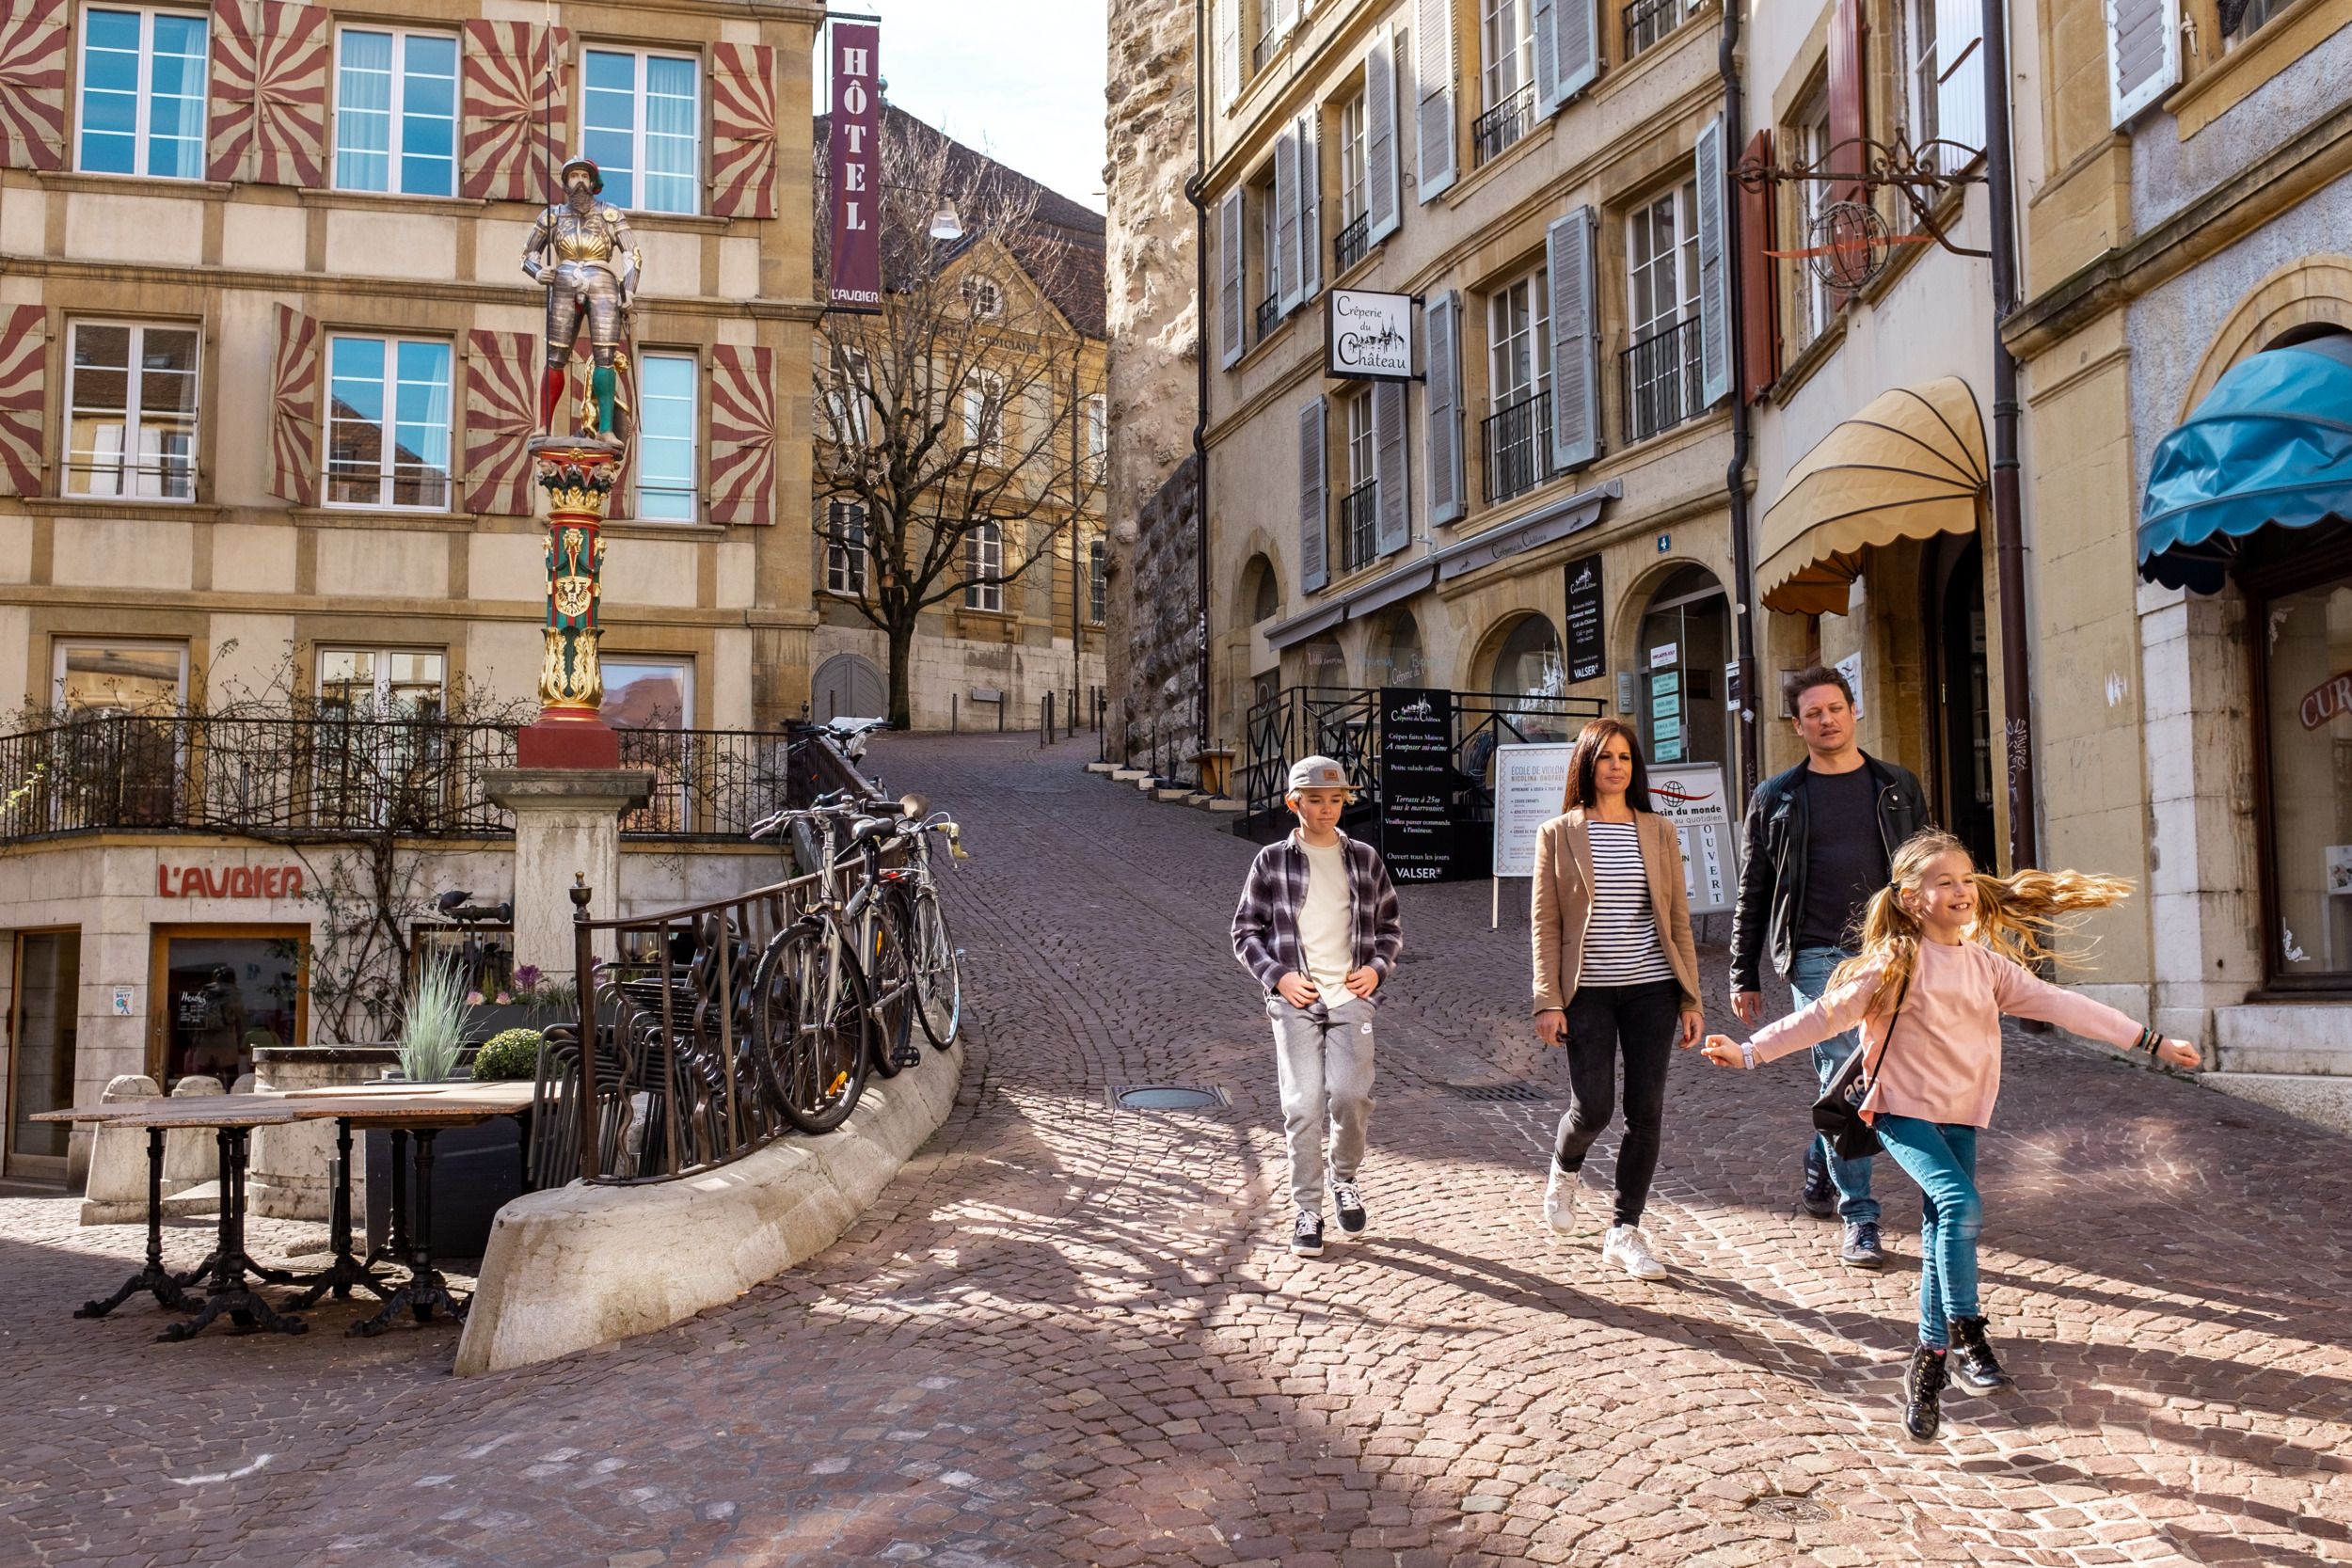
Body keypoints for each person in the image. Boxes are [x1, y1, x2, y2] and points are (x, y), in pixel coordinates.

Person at [1696, 829, 2201, 1441]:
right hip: (1901, 1108)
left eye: (1967, 878)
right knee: (1961, 1204)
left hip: (1963, 1110)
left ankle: (1929, 1363)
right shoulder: (1892, 965)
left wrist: (2151, 1042)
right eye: (1945, 881)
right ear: (1911, 898)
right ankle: (1968, 1333)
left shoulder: (1987, 965)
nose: (1962, 890)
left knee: (1943, 1226)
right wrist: (1749, 1051)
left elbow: (2063, 1005)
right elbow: (1823, 1017)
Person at [1728, 664, 1930, 1269]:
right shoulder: (1777, 797)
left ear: (1853, 711)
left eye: (1835, 708)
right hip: (1816, 954)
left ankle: (1822, 1156)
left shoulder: (1897, 787)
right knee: (1850, 1075)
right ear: (1797, 725)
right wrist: (1744, 972)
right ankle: (1861, 1217)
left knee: (1876, 1071)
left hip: (1890, 950)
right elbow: (1753, 890)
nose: (1826, 720)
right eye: (1813, 713)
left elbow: (1928, 870)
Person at [1530, 719, 1704, 1280]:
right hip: (1588, 993)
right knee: (1594, 1107)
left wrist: (1690, 999)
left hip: (1652, 987)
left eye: (1626, 757)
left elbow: (1677, 918)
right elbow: (1545, 924)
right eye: (1606, 757)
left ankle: (1624, 1230)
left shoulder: (1657, 830)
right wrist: (1547, 1000)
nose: (1617, 767)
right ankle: (1565, 1165)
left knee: (1645, 1113)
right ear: (1587, 764)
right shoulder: (1558, 833)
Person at [1232, 755, 1404, 1258]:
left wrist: (1375, 970)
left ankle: (1343, 1176)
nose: (1326, 809)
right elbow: (1244, 931)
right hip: (1295, 1000)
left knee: (1350, 1096)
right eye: (1314, 800)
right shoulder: (1271, 860)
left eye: (1335, 800)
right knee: (1303, 1104)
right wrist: (1279, 977)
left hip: (1352, 996)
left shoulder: (1366, 859)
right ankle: (1308, 1210)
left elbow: (1391, 928)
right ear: (1294, 803)